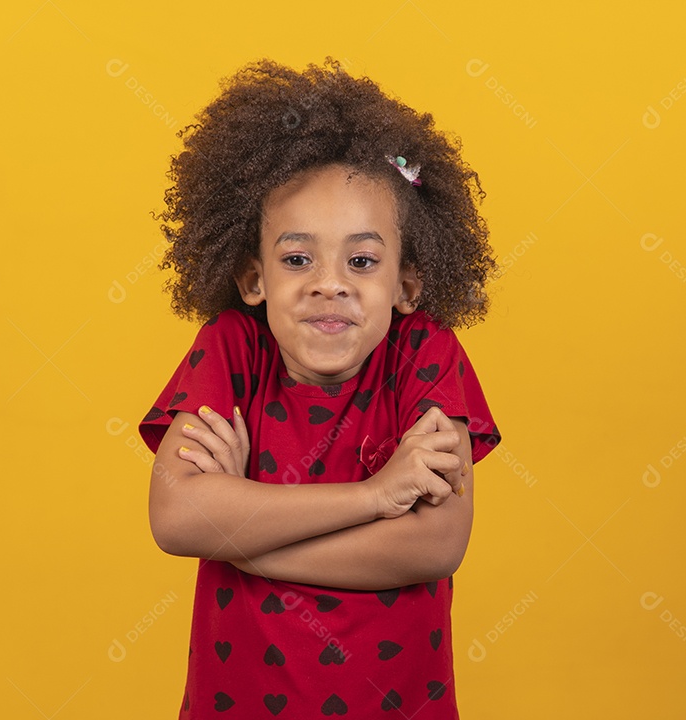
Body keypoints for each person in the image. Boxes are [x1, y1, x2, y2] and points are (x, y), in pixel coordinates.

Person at [138, 57, 502, 719]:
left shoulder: (426, 357)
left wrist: (247, 540)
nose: (328, 282)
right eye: (297, 258)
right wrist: (373, 496)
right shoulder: (231, 350)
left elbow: (435, 543)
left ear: (406, 285)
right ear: (254, 280)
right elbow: (177, 517)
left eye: (362, 261)